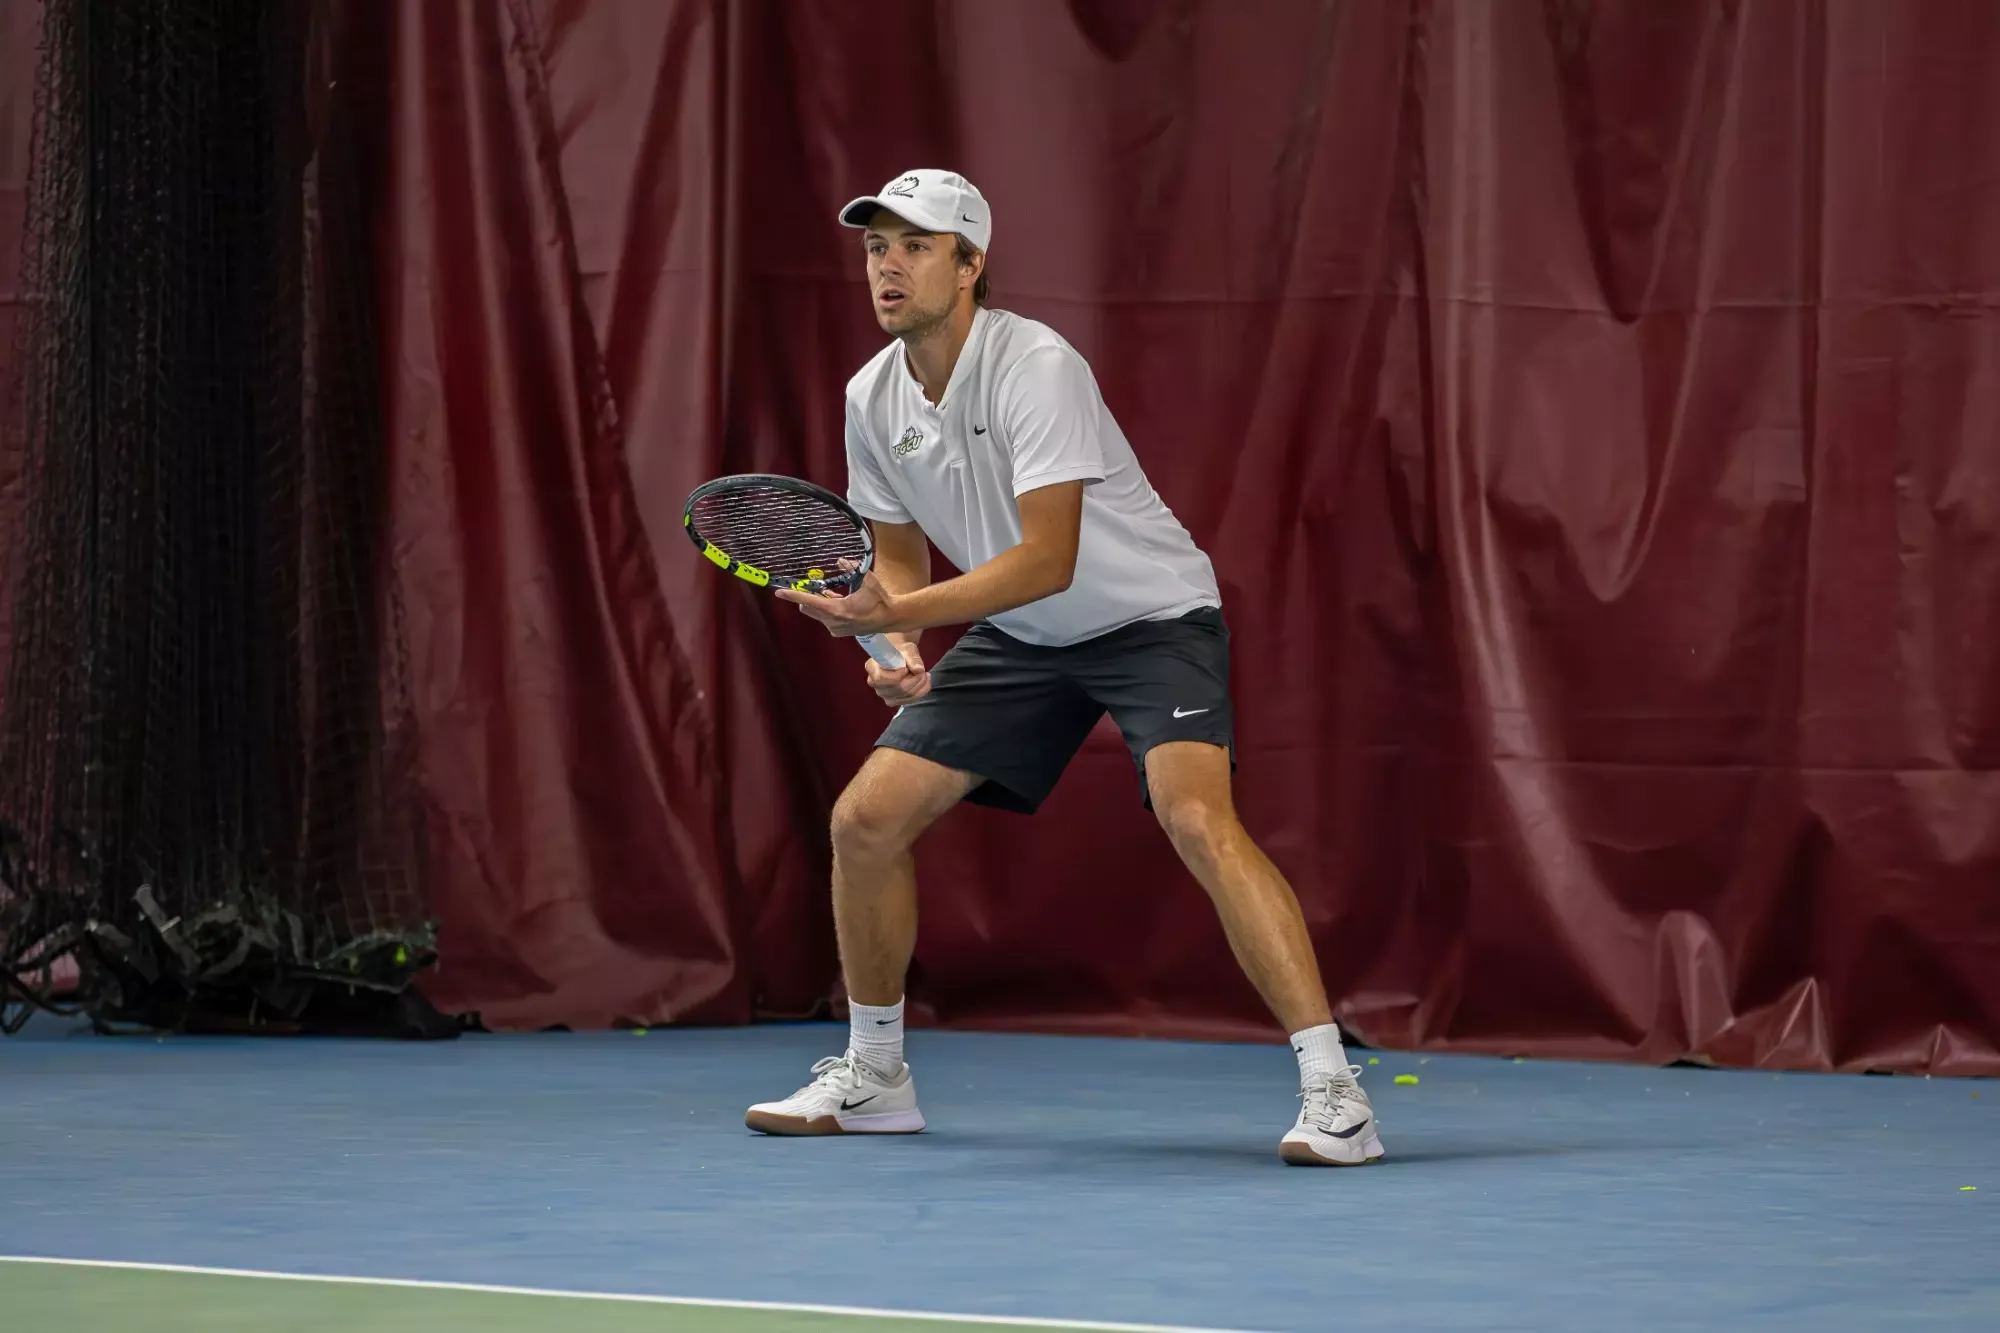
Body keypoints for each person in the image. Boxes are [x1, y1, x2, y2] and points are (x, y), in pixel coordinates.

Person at [746, 168, 1381, 1167]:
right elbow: (901, 556)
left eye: (914, 246)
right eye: (875, 247)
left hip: (1147, 616)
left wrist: (901, 610)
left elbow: (1048, 557)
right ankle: (875, 1077)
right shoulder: (870, 396)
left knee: (1195, 818)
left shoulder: (1034, 365)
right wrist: (899, 647)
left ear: (969, 264)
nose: (888, 265)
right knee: (863, 820)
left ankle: (1333, 1091)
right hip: (1021, 636)